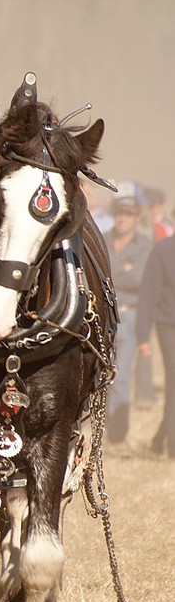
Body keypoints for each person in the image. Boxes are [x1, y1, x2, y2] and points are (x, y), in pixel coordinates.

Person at [103, 191, 153, 443]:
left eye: (128, 215)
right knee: (99, 374)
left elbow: (140, 279)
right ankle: (99, 425)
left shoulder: (144, 245)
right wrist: (124, 272)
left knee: (120, 376)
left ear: (136, 218)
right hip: (102, 317)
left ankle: (118, 432)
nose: (123, 219)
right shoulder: (102, 240)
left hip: (128, 317)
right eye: (120, 214)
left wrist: (112, 276)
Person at [137, 233, 175, 459]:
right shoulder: (163, 251)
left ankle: (161, 436)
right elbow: (148, 294)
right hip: (169, 326)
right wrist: (143, 336)